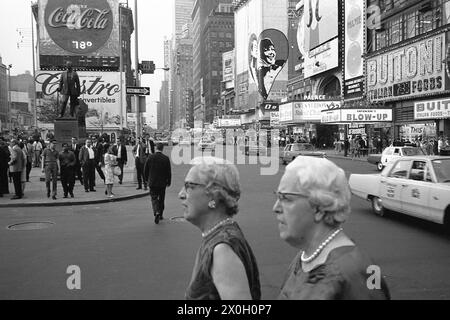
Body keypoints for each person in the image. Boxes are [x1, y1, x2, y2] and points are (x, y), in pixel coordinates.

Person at [273, 157, 390, 300]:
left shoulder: (354, 270)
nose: (276, 208)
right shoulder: (305, 256)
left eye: (286, 198)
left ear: (319, 208)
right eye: (277, 196)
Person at [178, 157, 261, 300]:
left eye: (189, 186)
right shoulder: (218, 235)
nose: (181, 194)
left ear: (214, 195)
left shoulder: (222, 249)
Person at [144, 143, 171, 224]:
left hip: (152, 182)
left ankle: (156, 211)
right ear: (162, 148)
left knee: (154, 198)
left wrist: (146, 179)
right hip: (162, 183)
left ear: (156, 148)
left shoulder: (150, 157)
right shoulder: (165, 158)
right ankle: (161, 214)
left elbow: (146, 169)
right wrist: (168, 181)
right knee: (162, 198)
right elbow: (168, 172)